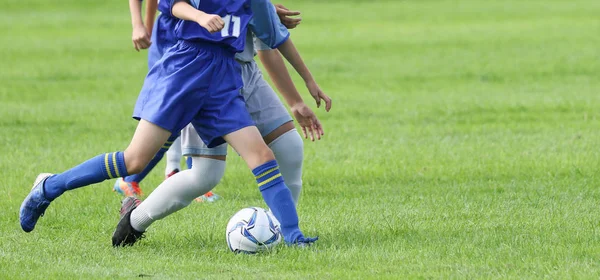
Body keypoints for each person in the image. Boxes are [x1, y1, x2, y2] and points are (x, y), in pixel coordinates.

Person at [20, 0, 318, 248]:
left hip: (225, 79)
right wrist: (200, 16)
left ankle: (294, 237)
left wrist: (309, 82)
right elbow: (170, 4)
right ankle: (50, 186)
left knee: (262, 155)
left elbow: (277, 38)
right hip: (185, 70)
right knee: (134, 160)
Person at [114, 0, 332, 244]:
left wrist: (295, 101)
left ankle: (282, 232)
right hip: (204, 73)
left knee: (290, 146)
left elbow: (267, 44)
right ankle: (134, 221)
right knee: (204, 176)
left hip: (247, 75)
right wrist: (139, 23)